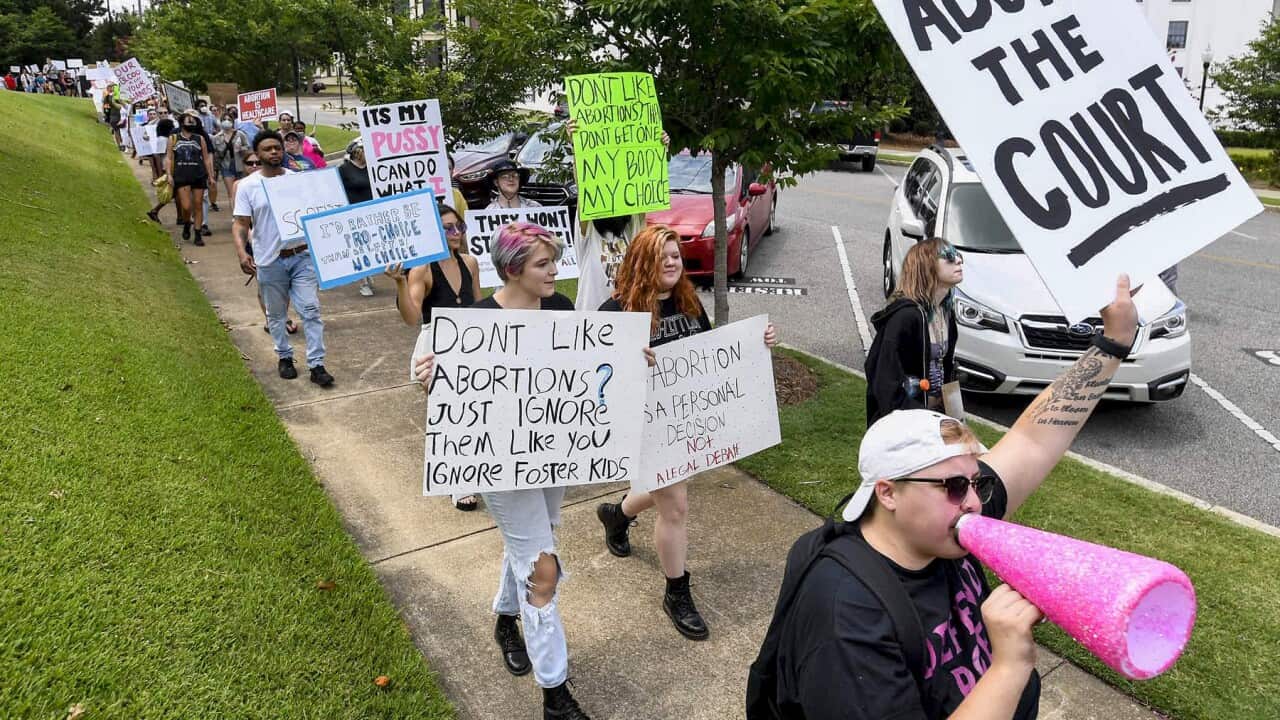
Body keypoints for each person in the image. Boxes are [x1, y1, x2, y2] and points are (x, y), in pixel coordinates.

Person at [748, 276, 1139, 720]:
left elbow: (1032, 443)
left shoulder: (945, 525)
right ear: (888, 492)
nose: (974, 502)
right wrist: (1010, 667)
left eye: (977, 484)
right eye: (954, 486)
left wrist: (1113, 343)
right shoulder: (846, 613)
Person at [411, 222, 591, 720]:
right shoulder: (475, 321)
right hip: (500, 466)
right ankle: (555, 693)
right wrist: (428, 375)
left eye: (554, 261)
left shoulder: (561, 308)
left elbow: (587, 368)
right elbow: (427, 370)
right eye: (543, 264)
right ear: (512, 270)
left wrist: (629, 361)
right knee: (542, 567)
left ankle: (506, 619)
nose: (555, 271)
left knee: (535, 542)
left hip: (551, 454)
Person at [595, 225, 777, 641]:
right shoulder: (615, 312)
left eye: (676, 255)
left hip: (685, 426)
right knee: (675, 507)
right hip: (642, 428)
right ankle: (676, 591)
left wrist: (758, 342)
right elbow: (594, 379)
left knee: (663, 489)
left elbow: (712, 358)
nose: (672, 262)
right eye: (662, 256)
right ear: (642, 261)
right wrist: (625, 361)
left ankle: (617, 515)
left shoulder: (690, 305)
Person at [386, 204, 482, 512]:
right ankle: (459, 482)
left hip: (470, 343)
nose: (455, 233)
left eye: (459, 227)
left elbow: (480, 306)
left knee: (474, 412)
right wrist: (400, 283)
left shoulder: (470, 262)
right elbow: (411, 316)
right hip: (436, 348)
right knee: (451, 413)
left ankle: (473, 469)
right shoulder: (423, 269)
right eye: (447, 228)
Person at [233, 131, 332, 385]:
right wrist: (242, 252)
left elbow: (318, 212)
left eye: (277, 147)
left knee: (310, 309)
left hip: (301, 256)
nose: (274, 152)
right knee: (276, 314)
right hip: (269, 260)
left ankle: (317, 365)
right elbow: (241, 223)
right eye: (267, 149)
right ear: (258, 154)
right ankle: (285, 357)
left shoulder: (298, 180)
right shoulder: (248, 186)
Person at [565, 119, 669, 311]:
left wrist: (658, 148)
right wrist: (577, 146)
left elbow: (642, 184)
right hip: (591, 314)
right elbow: (585, 187)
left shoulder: (633, 229)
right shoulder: (589, 233)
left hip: (627, 314)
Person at [864, 238, 963, 426]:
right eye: (949, 257)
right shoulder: (905, 317)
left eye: (958, 256)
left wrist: (955, 418)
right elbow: (884, 381)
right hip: (905, 422)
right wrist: (919, 420)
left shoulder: (946, 312)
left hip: (935, 417)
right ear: (927, 267)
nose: (958, 261)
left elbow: (946, 368)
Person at [337, 138, 377, 297]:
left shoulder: (373, 168)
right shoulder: (344, 169)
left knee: (372, 245)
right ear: (357, 152)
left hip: (372, 212)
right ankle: (363, 281)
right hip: (353, 213)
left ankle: (368, 272)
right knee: (359, 247)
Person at [167, 112, 213, 246]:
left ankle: (197, 233)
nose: (192, 123)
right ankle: (187, 223)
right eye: (189, 120)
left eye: (193, 121)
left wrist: (210, 175)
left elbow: (206, 158)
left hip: (198, 174)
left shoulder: (200, 138)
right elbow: (169, 158)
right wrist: (169, 174)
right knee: (186, 206)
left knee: (198, 204)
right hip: (181, 175)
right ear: (182, 123)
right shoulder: (174, 138)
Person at [213, 118, 250, 205]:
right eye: (224, 119)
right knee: (231, 193)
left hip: (240, 165)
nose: (227, 121)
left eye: (229, 119)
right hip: (226, 166)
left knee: (242, 191)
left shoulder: (240, 134)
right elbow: (215, 153)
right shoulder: (216, 137)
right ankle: (234, 212)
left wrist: (241, 148)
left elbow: (247, 147)